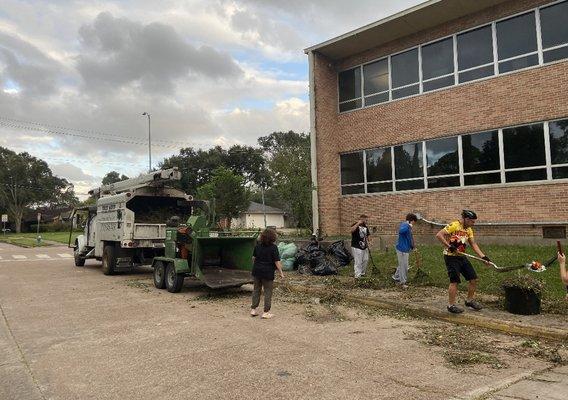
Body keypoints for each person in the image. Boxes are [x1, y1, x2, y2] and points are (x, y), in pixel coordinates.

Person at [435, 210, 491, 314]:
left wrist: (483, 257)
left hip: (461, 256)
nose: (473, 224)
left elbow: (473, 244)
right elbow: (439, 235)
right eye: (472, 222)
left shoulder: (469, 229)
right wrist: (449, 246)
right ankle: (451, 305)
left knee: (473, 279)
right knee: (454, 281)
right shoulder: (454, 225)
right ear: (466, 219)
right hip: (451, 257)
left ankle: (469, 301)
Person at [250, 228, 284, 319]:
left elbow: (253, 258)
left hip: (257, 271)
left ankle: (253, 310)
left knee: (256, 290)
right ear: (273, 237)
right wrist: (281, 273)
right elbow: (277, 261)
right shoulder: (273, 248)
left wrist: (256, 267)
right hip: (268, 272)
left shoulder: (257, 246)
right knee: (267, 292)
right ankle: (266, 312)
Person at [392, 213, 418, 289]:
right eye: (414, 222)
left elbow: (409, 238)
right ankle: (402, 283)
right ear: (411, 220)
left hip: (406, 248)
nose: (414, 224)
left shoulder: (408, 227)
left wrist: (412, 247)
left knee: (402, 264)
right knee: (404, 266)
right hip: (401, 248)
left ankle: (396, 277)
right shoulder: (405, 225)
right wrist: (408, 226)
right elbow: (401, 231)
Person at [351, 214, 371, 278]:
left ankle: (362, 273)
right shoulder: (355, 225)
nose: (366, 221)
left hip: (364, 246)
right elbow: (351, 230)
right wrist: (357, 224)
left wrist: (370, 241)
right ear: (361, 219)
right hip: (356, 246)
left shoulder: (365, 227)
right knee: (358, 261)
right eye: (365, 219)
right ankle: (357, 275)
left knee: (365, 260)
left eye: (366, 219)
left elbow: (368, 235)